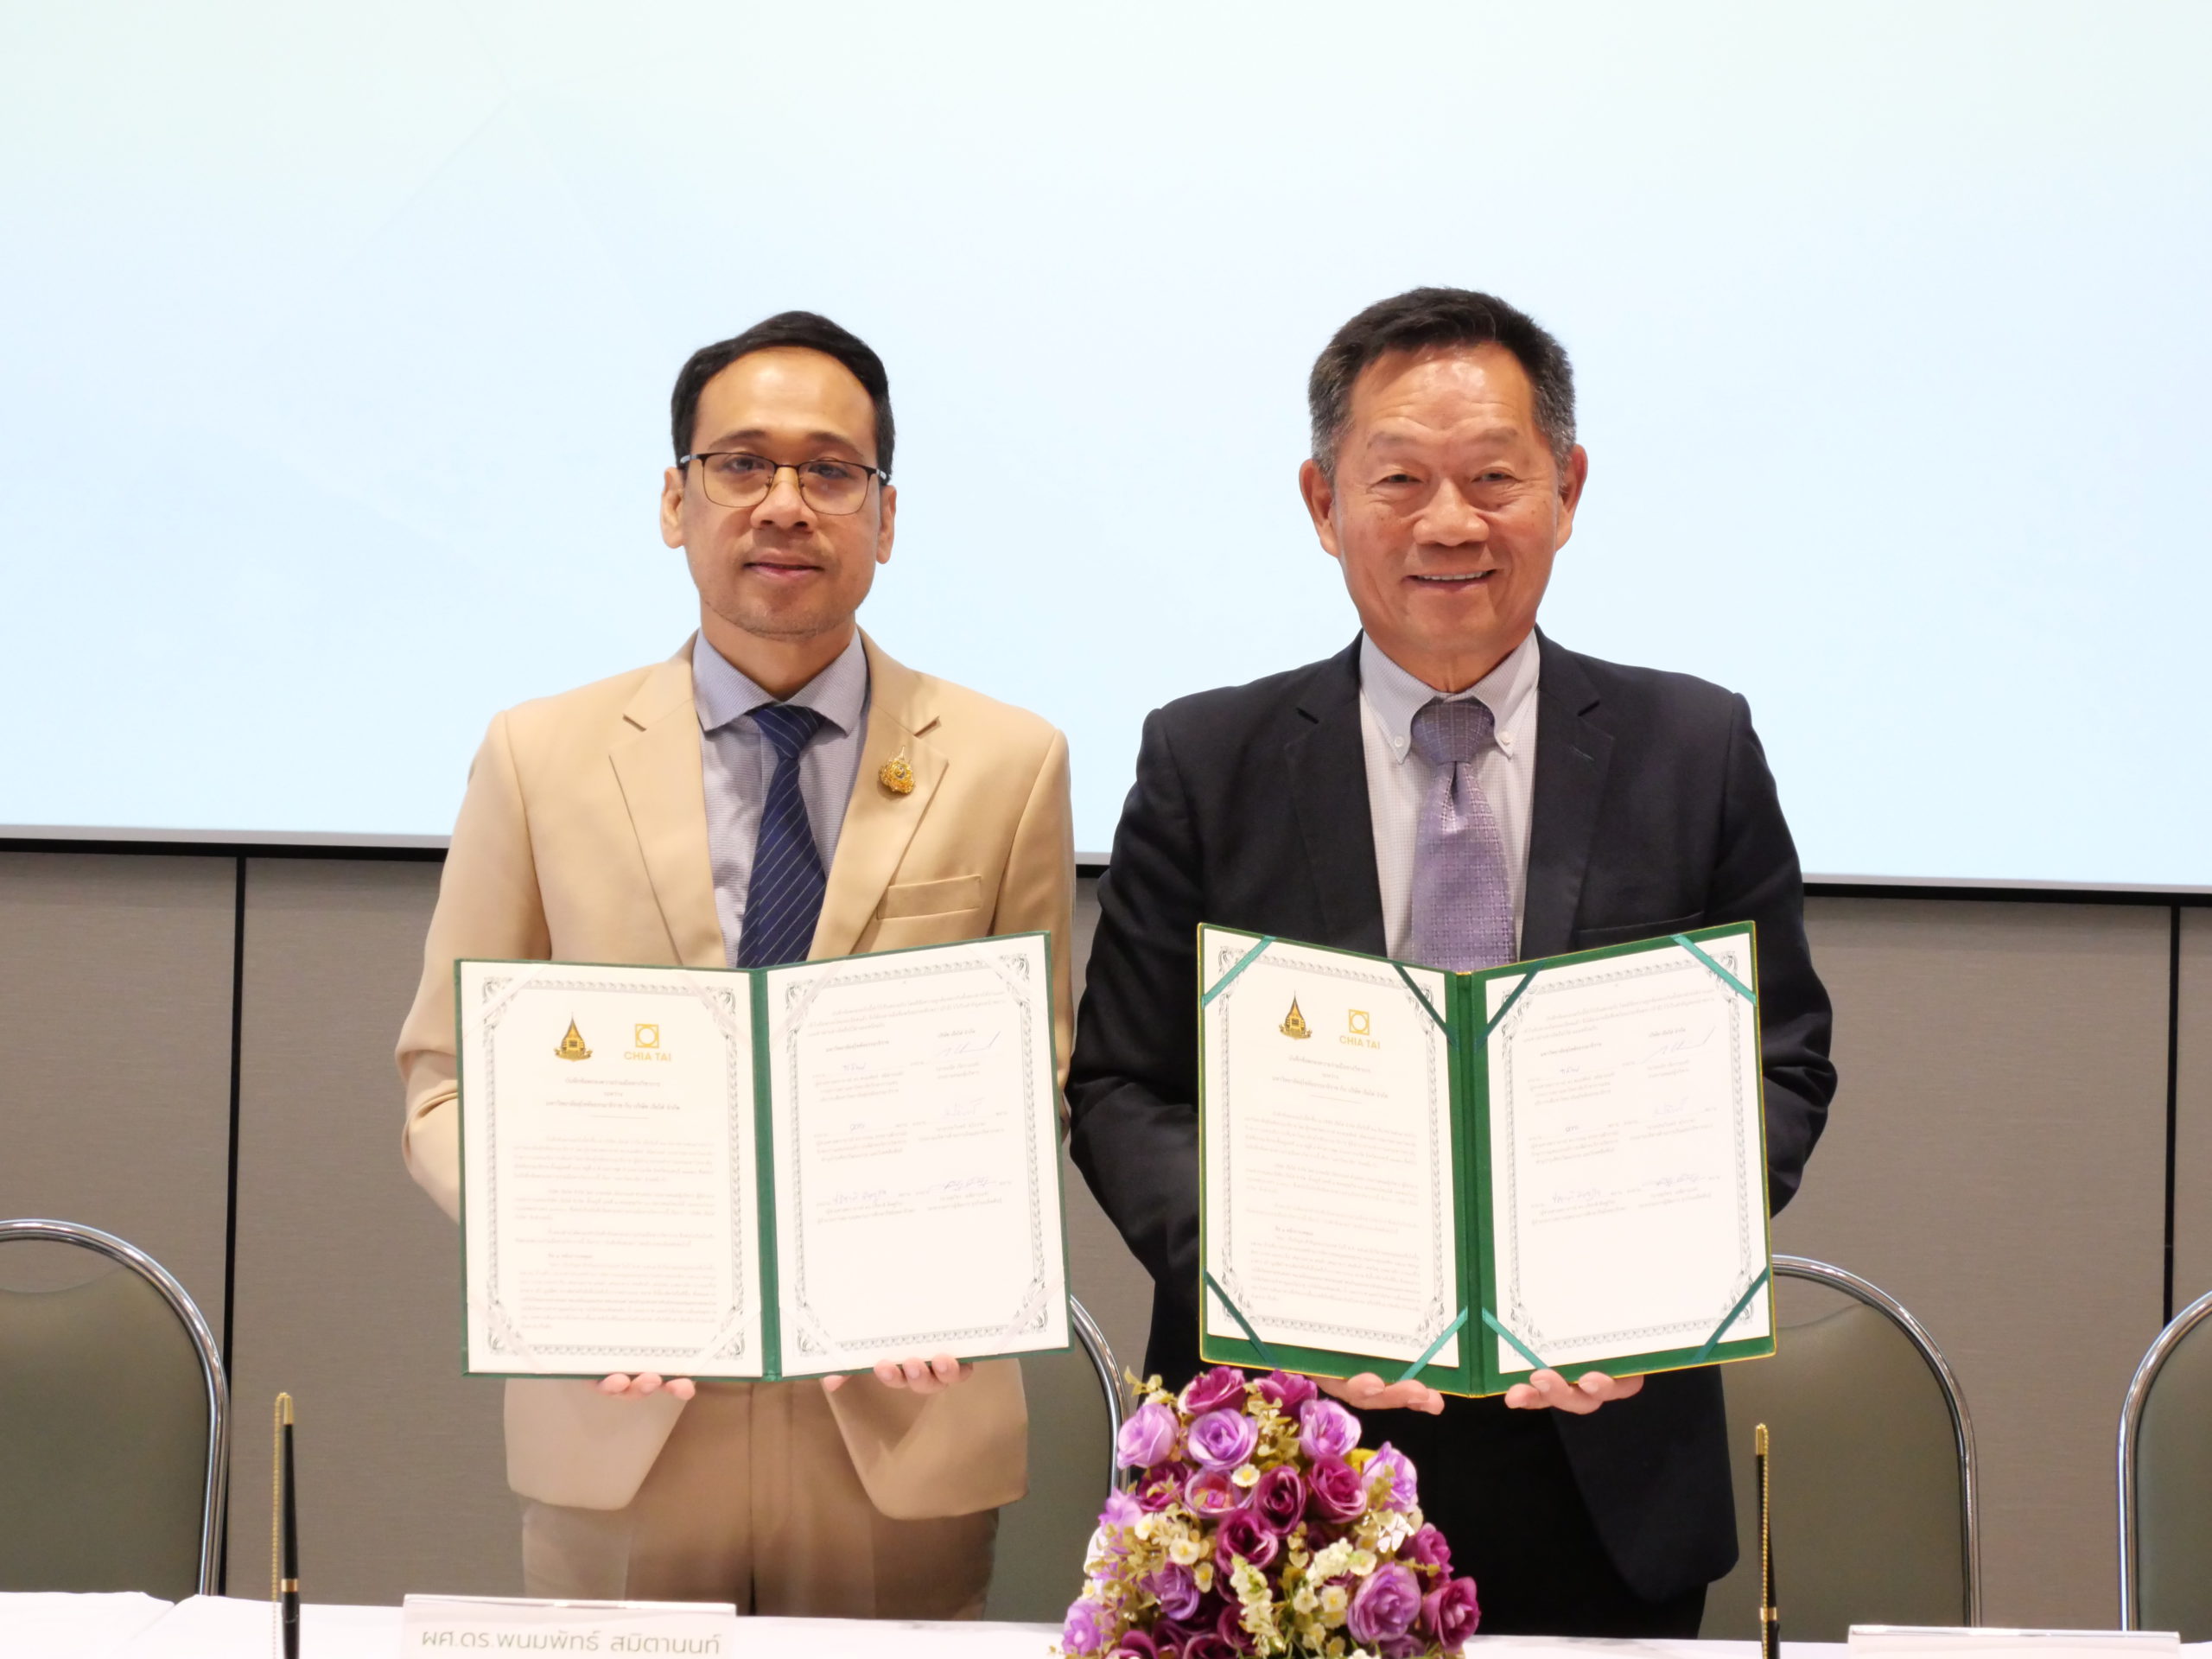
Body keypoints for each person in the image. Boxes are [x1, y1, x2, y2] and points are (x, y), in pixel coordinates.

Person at [1067, 287, 1835, 1637]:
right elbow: (1125, 1088)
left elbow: (1781, 1062)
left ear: (1568, 488)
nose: (1450, 523)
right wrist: (1277, 1293)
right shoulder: (1207, 761)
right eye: (1399, 481)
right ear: (1322, 503)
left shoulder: (1693, 749)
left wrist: (1654, 1282)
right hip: (1279, 1465)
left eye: (1493, 478)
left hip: (1602, 1463)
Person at [395, 311, 1073, 1616]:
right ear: (676, 501)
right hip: (623, 1411)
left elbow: (1027, 1080)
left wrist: (952, 1257)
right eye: (742, 464)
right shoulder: (540, 755)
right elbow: (442, 1086)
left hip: (899, 1413)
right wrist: (570, 1259)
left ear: (886, 515)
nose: (785, 504)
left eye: (832, 471)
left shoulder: (1009, 761)